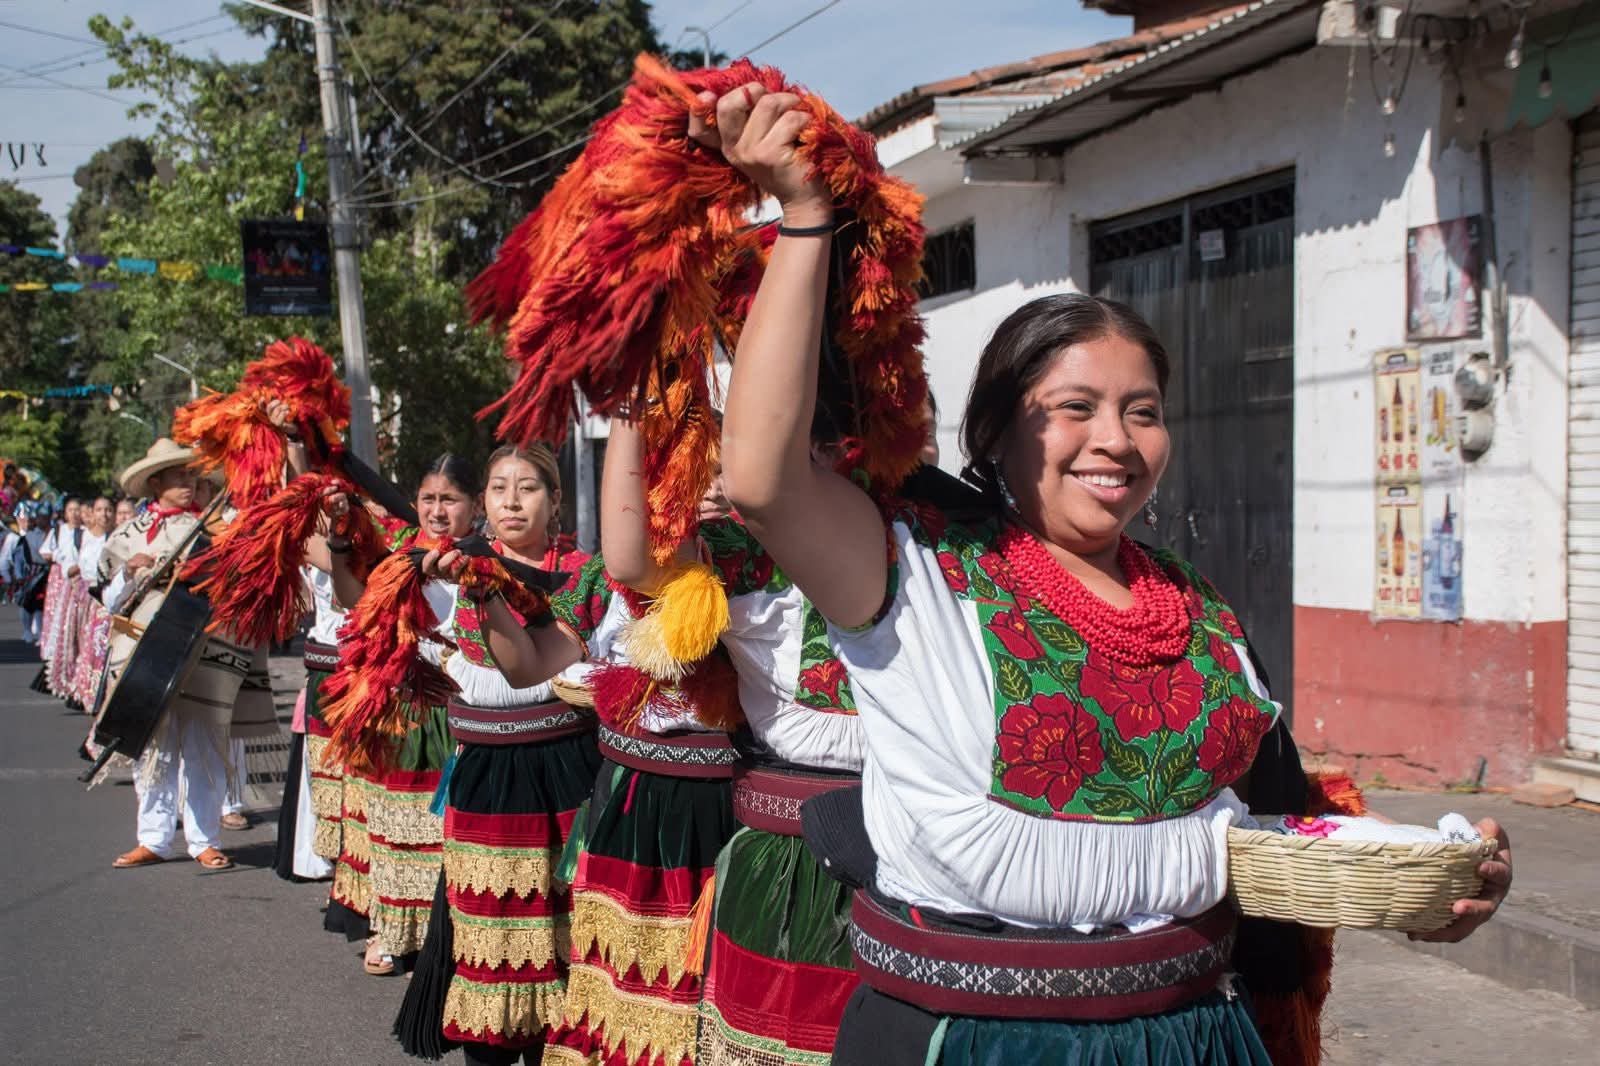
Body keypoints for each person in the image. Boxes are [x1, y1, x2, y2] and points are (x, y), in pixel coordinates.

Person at [695, 85, 1515, 1066]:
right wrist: (803, 216)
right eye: (1072, 406)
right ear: (996, 431)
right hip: (969, 1041)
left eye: (1142, 410)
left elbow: (1275, 818)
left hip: (1193, 1038)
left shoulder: (1198, 610)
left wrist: (1432, 880)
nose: (1112, 441)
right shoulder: (916, 574)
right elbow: (762, 476)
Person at [601, 419, 863, 1066]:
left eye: (832, 439)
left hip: (913, 850)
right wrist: (630, 411)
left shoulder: (923, 544)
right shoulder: (742, 552)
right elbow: (633, 561)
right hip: (783, 860)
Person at [395, 444, 608, 1066]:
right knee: (490, 934)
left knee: (564, 935)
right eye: (497, 488)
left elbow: (542, 664)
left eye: (528, 488)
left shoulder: (585, 571)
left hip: (565, 768)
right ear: (482, 503)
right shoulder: (453, 567)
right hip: (482, 773)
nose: (511, 501)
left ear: (556, 500)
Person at [325, 454, 480, 977]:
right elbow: (354, 599)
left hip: (465, 706)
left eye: (450, 500)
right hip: (406, 709)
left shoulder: (487, 560)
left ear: (474, 507)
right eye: (429, 500)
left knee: (448, 834)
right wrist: (341, 540)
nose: (438, 510)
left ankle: (445, 937)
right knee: (395, 826)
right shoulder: (397, 558)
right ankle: (390, 931)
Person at [99, 439, 234, 871]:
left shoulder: (213, 529)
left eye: (192, 476)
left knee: (202, 742)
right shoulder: (127, 535)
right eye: (178, 477)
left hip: (199, 645)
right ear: (155, 482)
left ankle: (204, 839)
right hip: (143, 648)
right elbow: (106, 598)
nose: (188, 483)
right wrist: (131, 572)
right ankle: (153, 838)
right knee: (151, 744)